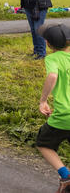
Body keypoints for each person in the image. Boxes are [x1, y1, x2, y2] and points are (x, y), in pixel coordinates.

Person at [35, 23, 70, 193]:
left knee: (43, 143)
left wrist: (43, 101)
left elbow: (53, 75)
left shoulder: (52, 59)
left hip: (64, 115)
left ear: (48, 44)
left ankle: (65, 175)